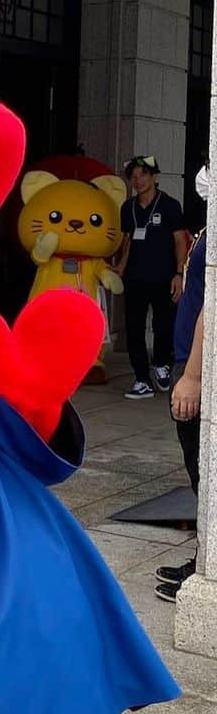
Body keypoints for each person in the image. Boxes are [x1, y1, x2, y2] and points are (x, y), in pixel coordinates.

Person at [155, 164, 208, 602]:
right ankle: (204, 559)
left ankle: (206, 566)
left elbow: (212, 309)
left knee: (202, 472)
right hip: (186, 359)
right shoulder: (208, 229)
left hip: (198, 369)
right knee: (199, 473)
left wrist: (190, 376)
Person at [113, 156, 188, 400]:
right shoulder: (128, 207)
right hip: (135, 277)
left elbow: (180, 240)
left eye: (143, 175)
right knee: (133, 328)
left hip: (164, 277)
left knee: (163, 325)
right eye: (134, 177)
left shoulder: (170, 205)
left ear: (154, 176)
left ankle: (162, 364)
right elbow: (127, 240)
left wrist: (179, 273)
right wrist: (121, 267)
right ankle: (142, 379)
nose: (138, 181)